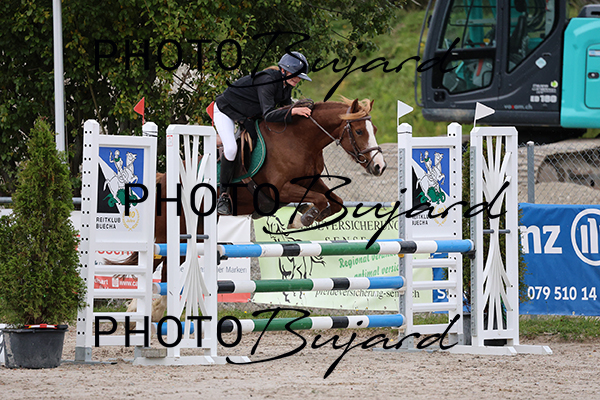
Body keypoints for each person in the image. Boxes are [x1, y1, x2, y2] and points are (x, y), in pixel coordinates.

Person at [213, 51, 313, 215]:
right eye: (295, 74)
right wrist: (294, 111)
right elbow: (269, 115)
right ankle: (223, 196)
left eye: (300, 76)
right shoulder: (268, 80)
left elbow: (284, 109)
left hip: (248, 116)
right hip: (227, 111)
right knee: (231, 148)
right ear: (283, 70)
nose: (297, 79)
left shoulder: (286, 85)